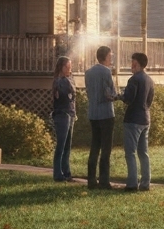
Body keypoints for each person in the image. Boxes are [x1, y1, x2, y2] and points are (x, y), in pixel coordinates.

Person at [120, 51, 155, 192]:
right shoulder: (149, 80)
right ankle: (145, 183)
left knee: (130, 153)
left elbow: (128, 98)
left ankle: (132, 184)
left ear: (137, 64)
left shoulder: (133, 80)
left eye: (132, 62)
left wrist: (119, 96)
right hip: (145, 118)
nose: (131, 65)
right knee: (143, 153)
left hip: (133, 119)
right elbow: (149, 100)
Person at [84, 46, 118, 190]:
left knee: (94, 146)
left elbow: (88, 91)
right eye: (110, 56)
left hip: (93, 113)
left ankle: (91, 180)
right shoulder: (106, 72)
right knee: (106, 148)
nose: (111, 59)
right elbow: (112, 92)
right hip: (106, 113)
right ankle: (104, 180)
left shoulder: (88, 72)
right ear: (105, 57)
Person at [50, 55, 76, 182]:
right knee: (61, 145)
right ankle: (57, 174)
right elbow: (67, 95)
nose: (69, 69)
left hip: (70, 114)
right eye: (67, 66)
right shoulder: (59, 81)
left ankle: (66, 172)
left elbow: (73, 96)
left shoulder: (68, 79)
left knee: (67, 146)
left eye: (70, 66)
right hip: (62, 114)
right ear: (61, 67)